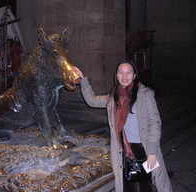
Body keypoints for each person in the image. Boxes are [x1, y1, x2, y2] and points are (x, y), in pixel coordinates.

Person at [73, 60, 172, 192]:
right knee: (128, 186)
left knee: (145, 185)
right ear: (116, 75)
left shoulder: (145, 95)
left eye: (128, 73)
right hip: (122, 151)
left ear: (134, 75)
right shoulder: (113, 98)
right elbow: (92, 100)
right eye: (121, 73)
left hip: (143, 149)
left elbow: (154, 123)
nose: (124, 77)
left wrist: (152, 152)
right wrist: (83, 80)